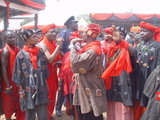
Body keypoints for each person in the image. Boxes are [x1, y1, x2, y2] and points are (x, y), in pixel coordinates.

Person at [70, 23, 107, 120]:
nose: (82, 35)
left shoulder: (92, 50)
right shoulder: (92, 48)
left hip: (90, 85)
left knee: (91, 112)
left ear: (89, 34)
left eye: (84, 32)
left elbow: (76, 62)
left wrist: (72, 47)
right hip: (91, 84)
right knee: (92, 111)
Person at [12, 29, 49, 120]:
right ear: (26, 39)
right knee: (29, 114)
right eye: (33, 37)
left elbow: (45, 71)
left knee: (43, 114)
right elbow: (18, 74)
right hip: (27, 89)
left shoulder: (40, 52)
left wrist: (44, 84)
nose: (37, 38)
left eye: (36, 36)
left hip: (41, 87)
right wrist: (21, 91)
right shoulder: (20, 55)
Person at [101, 26, 135, 120]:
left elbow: (134, 53)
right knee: (111, 106)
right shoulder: (109, 47)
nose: (118, 36)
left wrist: (122, 42)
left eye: (121, 35)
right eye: (116, 34)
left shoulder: (127, 47)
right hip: (111, 81)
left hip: (123, 82)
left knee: (122, 107)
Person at [134, 21, 160, 120]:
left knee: (148, 101)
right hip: (139, 79)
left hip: (150, 80)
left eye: (145, 31)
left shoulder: (158, 46)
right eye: (141, 31)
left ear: (152, 33)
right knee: (138, 100)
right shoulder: (139, 45)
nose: (141, 33)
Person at [38, 24, 63, 120]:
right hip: (45, 76)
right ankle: (45, 117)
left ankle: (49, 115)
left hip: (52, 74)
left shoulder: (52, 43)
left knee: (52, 95)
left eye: (55, 31)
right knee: (47, 96)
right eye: (51, 31)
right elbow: (50, 59)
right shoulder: (42, 44)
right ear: (45, 33)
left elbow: (57, 58)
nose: (54, 33)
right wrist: (58, 46)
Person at [55, 16, 78, 117]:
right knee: (62, 85)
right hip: (67, 63)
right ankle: (58, 108)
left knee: (73, 85)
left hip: (74, 62)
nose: (76, 24)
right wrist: (66, 57)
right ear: (69, 24)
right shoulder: (65, 33)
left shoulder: (75, 33)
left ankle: (70, 107)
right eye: (74, 23)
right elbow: (59, 48)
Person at [1, 30, 25, 120]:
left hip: (16, 80)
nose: (13, 39)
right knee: (8, 103)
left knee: (17, 101)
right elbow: (3, 69)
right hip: (9, 82)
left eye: (14, 37)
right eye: (10, 37)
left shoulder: (15, 48)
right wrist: (8, 86)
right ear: (4, 39)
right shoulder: (6, 51)